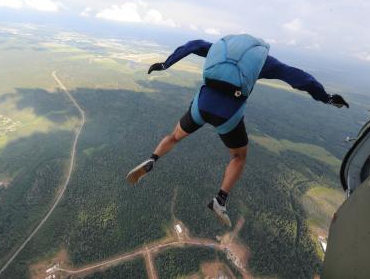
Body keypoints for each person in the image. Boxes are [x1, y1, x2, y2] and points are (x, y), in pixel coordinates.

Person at [126, 34, 349, 227]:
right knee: (238, 156)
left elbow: (192, 45)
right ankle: (220, 200)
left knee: (174, 136)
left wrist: (165, 64)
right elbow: (301, 79)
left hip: (201, 105)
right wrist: (326, 98)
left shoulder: (218, 48)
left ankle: (153, 159)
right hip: (228, 114)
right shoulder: (262, 61)